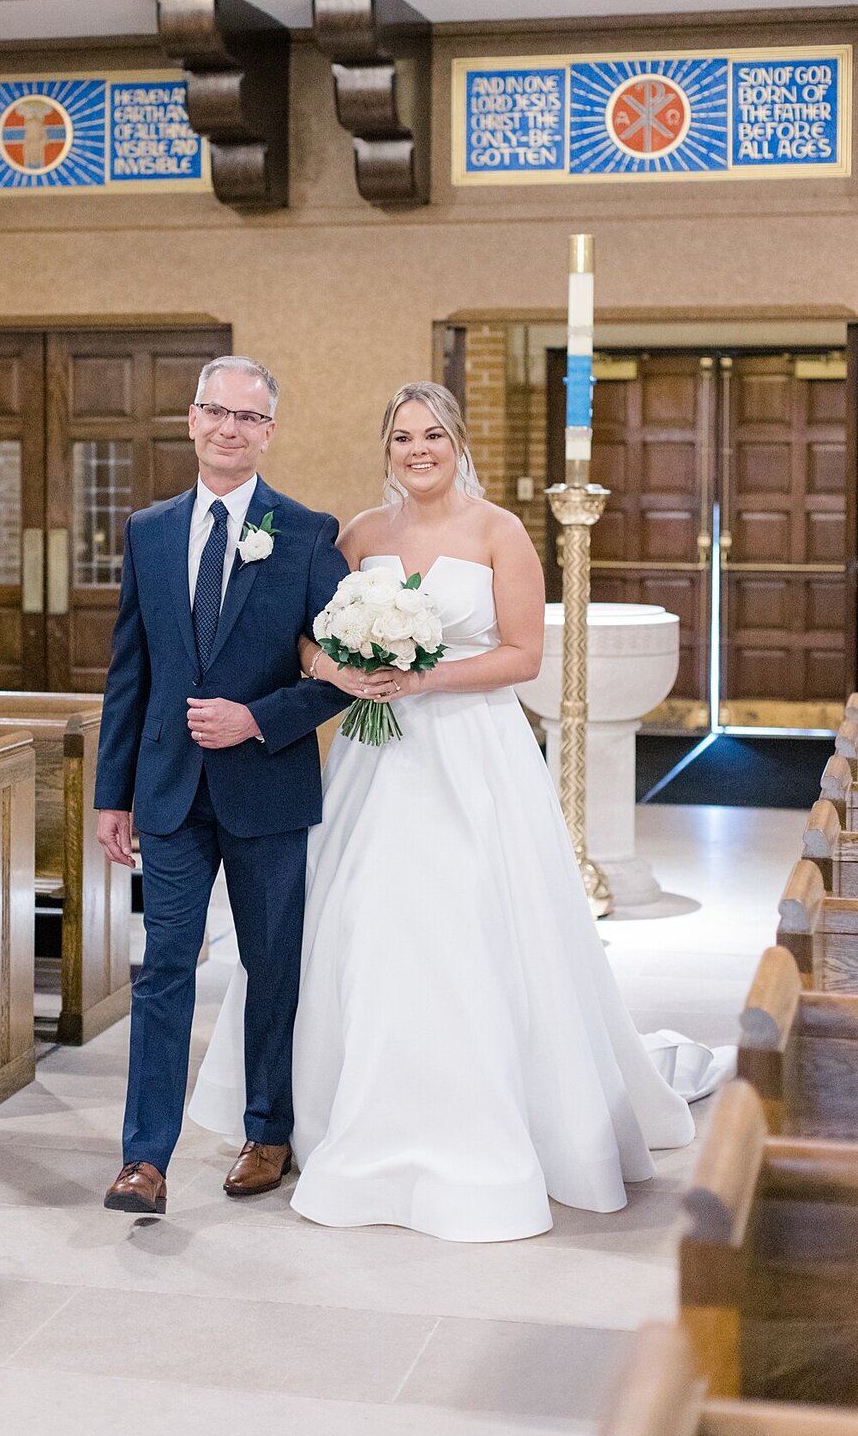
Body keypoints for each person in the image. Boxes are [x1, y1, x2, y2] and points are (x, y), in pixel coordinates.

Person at [190, 380, 708, 1243]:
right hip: (374, 749)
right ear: (385, 449)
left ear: (459, 441)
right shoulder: (356, 534)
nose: (418, 450)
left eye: (433, 435)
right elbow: (303, 634)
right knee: (359, 922)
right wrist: (344, 669)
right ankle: (320, 1116)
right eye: (401, 438)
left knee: (474, 921)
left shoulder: (500, 532)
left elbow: (521, 654)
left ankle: (491, 1116)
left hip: (474, 752)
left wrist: (422, 676)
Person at [95, 355, 351, 1216]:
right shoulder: (151, 530)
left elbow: (342, 671)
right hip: (168, 789)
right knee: (164, 968)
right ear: (194, 420)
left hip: (267, 785)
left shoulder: (309, 534)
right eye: (217, 412)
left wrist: (259, 717)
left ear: (269, 431)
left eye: (249, 417)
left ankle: (268, 1131)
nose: (230, 428)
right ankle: (144, 1159)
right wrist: (111, 792)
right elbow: (129, 672)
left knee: (272, 965)